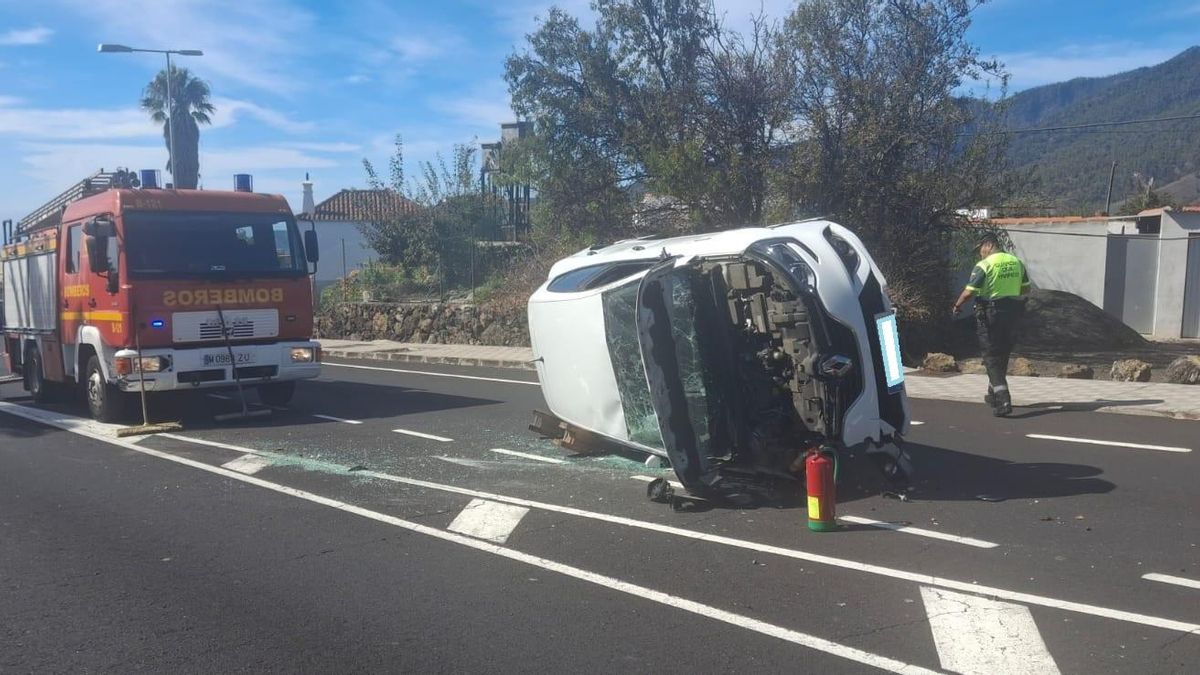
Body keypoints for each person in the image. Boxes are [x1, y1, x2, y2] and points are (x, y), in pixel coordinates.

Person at [952, 234, 1030, 417]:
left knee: (990, 356)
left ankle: (1003, 398)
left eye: (980, 249)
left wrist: (957, 306)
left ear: (988, 245)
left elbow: (969, 291)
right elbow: (1026, 289)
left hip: (991, 314)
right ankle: (993, 393)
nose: (980, 253)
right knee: (1002, 353)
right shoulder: (1016, 262)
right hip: (1014, 314)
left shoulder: (985, 265)